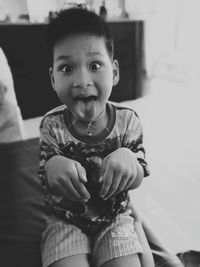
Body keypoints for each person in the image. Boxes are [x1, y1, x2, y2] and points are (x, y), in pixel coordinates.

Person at [38, 7, 154, 267]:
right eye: (67, 68)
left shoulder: (127, 121)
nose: (82, 80)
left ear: (113, 72)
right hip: (65, 220)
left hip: (115, 218)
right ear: (53, 79)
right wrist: (52, 167)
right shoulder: (51, 125)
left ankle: (137, 228)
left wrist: (129, 161)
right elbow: (43, 174)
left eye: (95, 65)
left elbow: (139, 172)